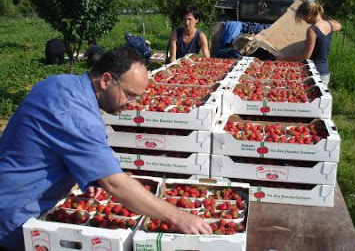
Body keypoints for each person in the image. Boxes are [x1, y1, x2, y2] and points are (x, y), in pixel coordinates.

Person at [0, 46, 212, 251]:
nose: (132, 103)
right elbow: (114, 183)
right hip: (17, 214)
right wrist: (179, 216)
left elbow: (56, 147)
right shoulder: (77, 114)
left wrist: (90, 175)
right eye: (129, 95)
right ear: (106, 80)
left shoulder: (60, 83)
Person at [277, 0, 342, 87]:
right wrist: (322, 15)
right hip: (325, 73)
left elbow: (305, 56)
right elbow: (339, 25)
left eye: (303, 16)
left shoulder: (312, 30)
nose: (303, 19)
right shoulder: (330, 25)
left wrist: (283, 58)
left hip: (314, 73)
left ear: (310, 13)